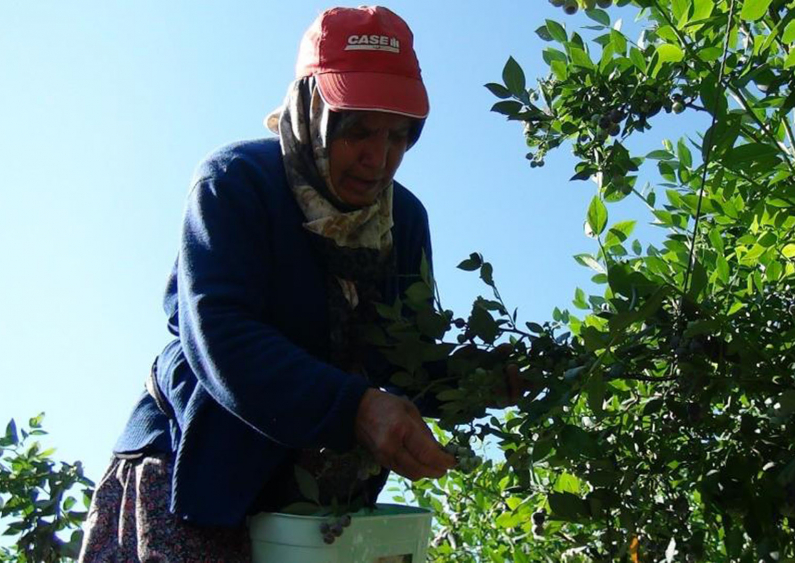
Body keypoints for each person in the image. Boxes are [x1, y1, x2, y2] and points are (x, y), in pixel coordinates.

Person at [77, 6, 520, 561]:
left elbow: (403, 360)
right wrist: (354, 407)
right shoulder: (237, 182)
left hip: (317, 505)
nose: (378, 158)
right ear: (311, 106)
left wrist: (487, 381)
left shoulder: (403, 222)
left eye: (399, 135)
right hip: (199, 472)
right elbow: (223, 337)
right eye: (357, 129)